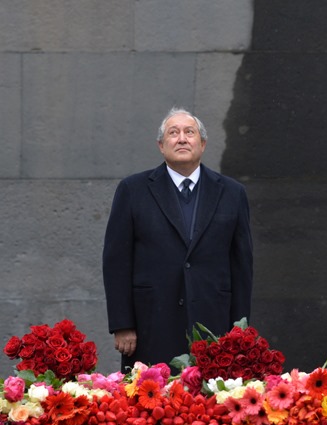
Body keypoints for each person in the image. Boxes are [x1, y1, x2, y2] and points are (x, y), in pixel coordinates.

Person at [102, 107, 253, 372]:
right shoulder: (133, 190)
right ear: (161, 145)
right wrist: (122, 324)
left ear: (202, 144)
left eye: (189, 132)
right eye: (173, 133)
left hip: (213, 327)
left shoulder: (232, 193)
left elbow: (241, 266)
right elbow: (116, 261)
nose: (182, 138)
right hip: (152, 324)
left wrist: (239, 330)